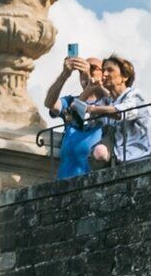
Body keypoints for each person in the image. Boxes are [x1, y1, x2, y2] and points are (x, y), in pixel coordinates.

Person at [44, 48, 109, 179]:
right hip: (65, 177)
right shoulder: (71, 101)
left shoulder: (107, 102)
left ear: (104, 75)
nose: (85, 72)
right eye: (82, 70)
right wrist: (64, 74)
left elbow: (116, 103)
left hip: (94, 177)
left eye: (92, 68)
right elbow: (50, 103)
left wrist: (93, 82)